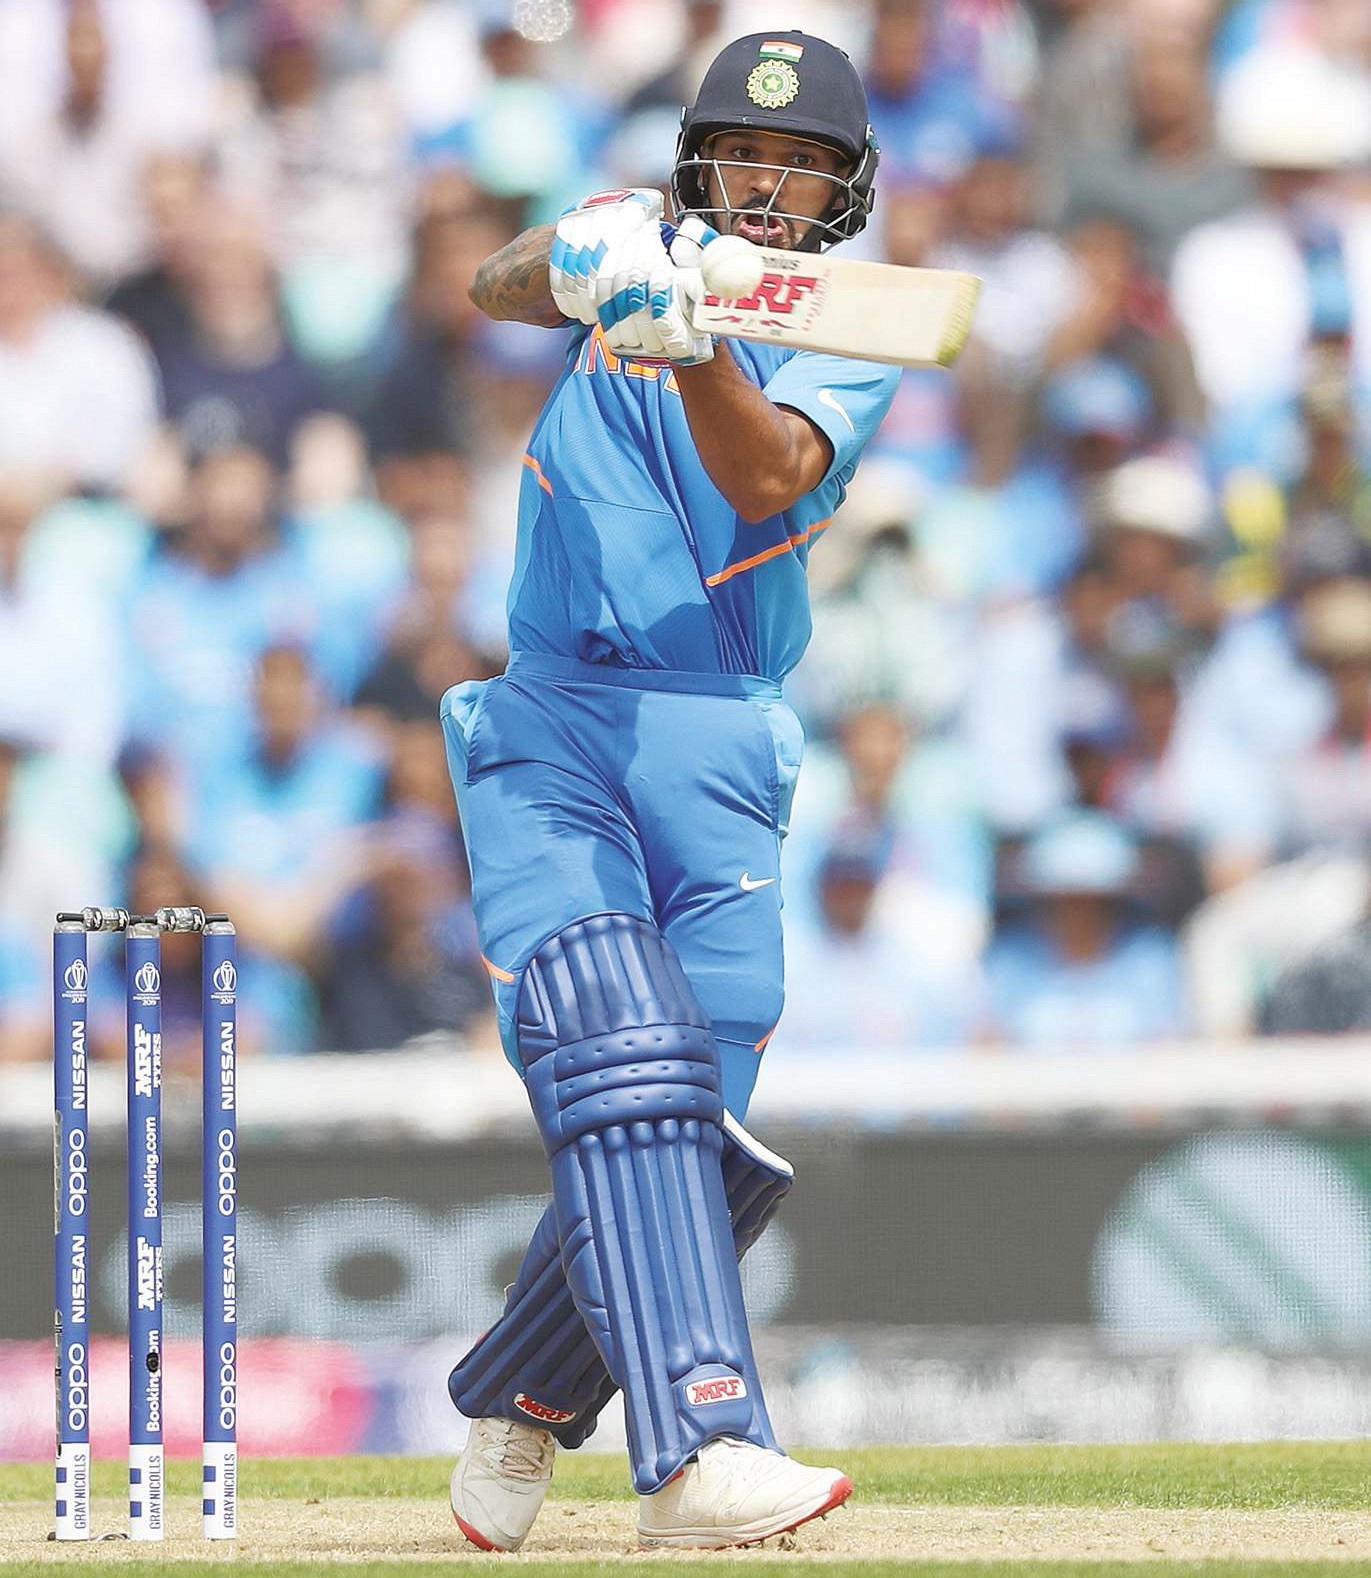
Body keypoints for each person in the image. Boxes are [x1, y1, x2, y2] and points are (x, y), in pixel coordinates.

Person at [440, 31, 896, 1553]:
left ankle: (521, 1392)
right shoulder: (642, 229)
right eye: (742, 154)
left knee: (691, 1130)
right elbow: (493, 286)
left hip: (726, 737)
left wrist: (691, 337)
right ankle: (703, 1446)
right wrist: (585, 257)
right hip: (556, 715)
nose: (766, 184)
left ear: (842, 189)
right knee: (619, 1047)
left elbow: (768, 476)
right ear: (701, 159)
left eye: (800, 164)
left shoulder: (854, 328)